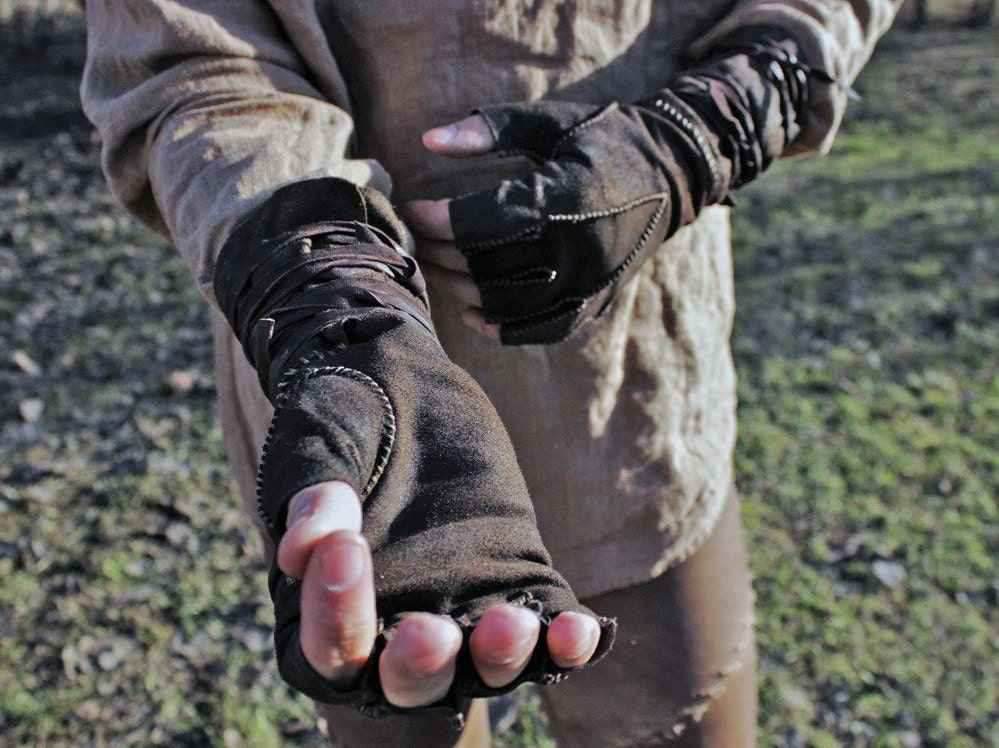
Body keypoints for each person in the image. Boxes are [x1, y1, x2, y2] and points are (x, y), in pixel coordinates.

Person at [81, 1, 902, 745]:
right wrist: (340, 305)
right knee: (398, 674)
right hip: (354, 417)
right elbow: (187, 59)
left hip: (636, 383)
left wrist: (708, 125)